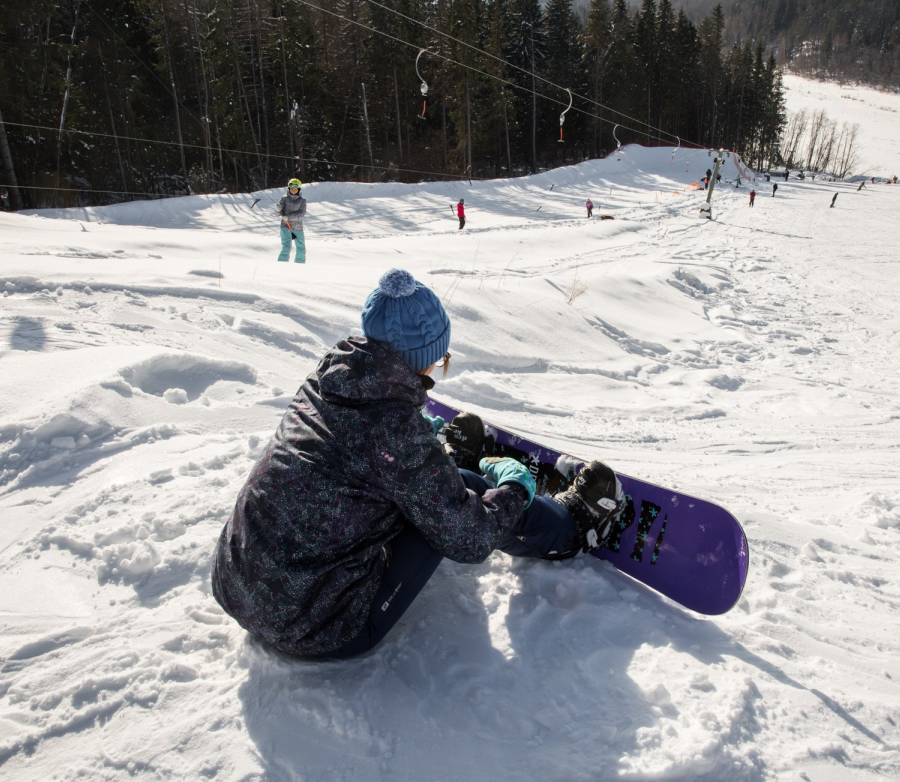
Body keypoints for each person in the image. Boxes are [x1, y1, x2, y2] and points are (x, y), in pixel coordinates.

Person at [210, 269, 625, 659]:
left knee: (444, 486)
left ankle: (442, 469)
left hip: (238, 585)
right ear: (424, 357)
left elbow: (355, 443)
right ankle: (573, 528)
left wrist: (423, 444)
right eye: (438, 359)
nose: (438, 367)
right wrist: (516, 488)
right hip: (320, 627)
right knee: (467, 496)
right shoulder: (394, 433)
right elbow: (469, 538)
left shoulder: (330, 376)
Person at [276, 178, 307, 263]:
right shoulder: (284, 199)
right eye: (291, 188)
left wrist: (288, 217)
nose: (293, 190)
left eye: (295, 188)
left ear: (299, 189)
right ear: (289, 189)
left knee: (301, 248)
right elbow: (278, 212)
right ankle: (281, 264)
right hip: (285, 226)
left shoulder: (302, 201)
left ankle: (299, 266)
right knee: (286, 246)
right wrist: (278, 210)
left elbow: (301, 214)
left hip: (298, 228)